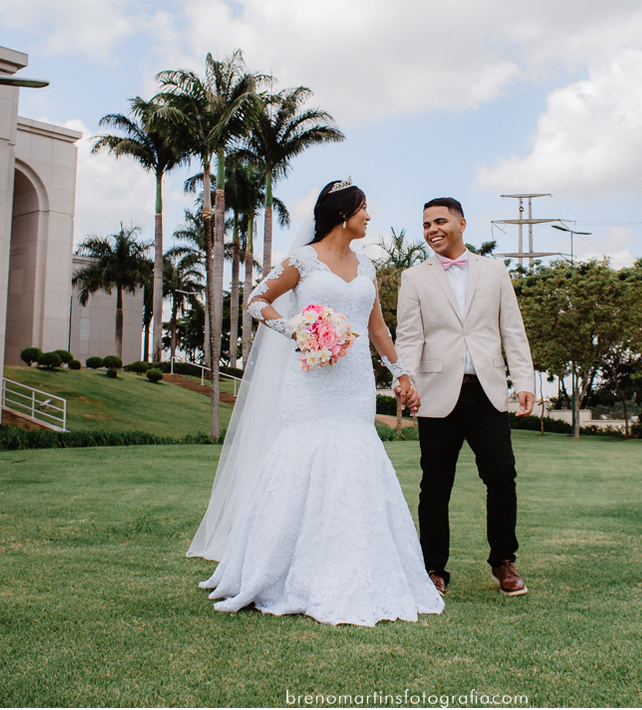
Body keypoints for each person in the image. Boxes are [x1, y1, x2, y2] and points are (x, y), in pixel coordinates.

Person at [186, 179, 444, 627]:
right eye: (364, 209)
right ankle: (279, 572)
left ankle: (357, 569)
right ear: (344, 213)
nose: (369, 218)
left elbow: (377, 329)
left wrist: (400, 373)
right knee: (302, 456)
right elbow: (256, 300)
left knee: (355, 458)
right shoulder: (301, 261)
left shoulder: (367, 267)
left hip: (354, 383)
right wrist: (298, 330)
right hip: (308, 380)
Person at [395, 197, 536, 597]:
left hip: (488, 394)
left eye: (440, 221)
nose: (432, 230)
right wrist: (405, 382)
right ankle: (434, 569)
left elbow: (513, 329)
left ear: (461, 223)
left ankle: (503, 562)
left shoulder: (495, 270)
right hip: (436, 394)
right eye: (425, 224)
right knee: (435, 485)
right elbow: (409, 336)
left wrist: (523, 381)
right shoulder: (413, 277)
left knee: (501, 476)